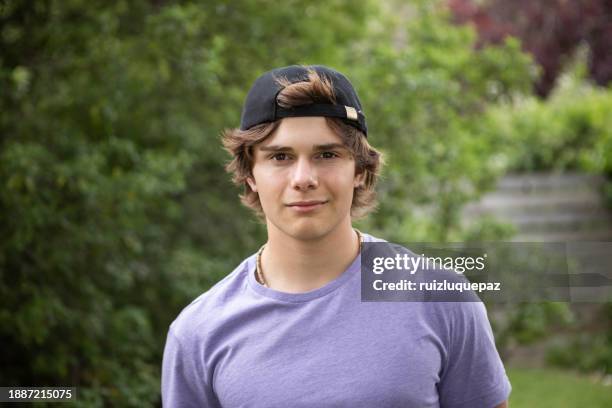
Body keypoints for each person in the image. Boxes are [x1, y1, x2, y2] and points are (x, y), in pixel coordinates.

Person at [161, 65, 511, 407]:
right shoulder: (198, 334)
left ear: (359, 169)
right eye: (280, 157)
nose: (303, 178)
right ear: (250, 173)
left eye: (326, 154)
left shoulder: (440, 299)